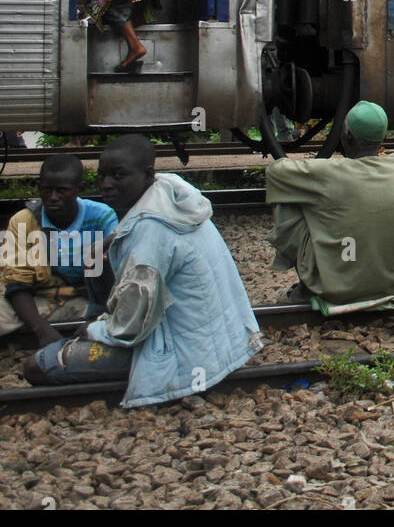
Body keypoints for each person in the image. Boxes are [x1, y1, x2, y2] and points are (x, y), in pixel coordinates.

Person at [24, 136, 260, 407]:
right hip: (217, 341)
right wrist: (114, 239)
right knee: (97, 274)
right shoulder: (172, 197)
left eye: (118, 175)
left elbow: (130, 327)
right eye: (102, 176)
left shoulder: (150, 232)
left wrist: (93, 331)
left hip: (184, 353)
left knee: (38, 365)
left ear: (148, 175)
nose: (106, 185)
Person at [265, 101, 394, 305]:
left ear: (346, 137)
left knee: (288, 196)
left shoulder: (328, 172)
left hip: (333, 288)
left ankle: (310, 284)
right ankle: (374, 276)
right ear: (381, 139)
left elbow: (275, 172)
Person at [0, 156, 117, 344]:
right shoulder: (23, 221)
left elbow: (116, 273)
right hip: (35, 299)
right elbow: (17, 283)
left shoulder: (102, 217)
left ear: (79, 189)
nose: (53, 197)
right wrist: (40, 329)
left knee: (118, 316)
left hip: (84, 301)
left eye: (62, 191)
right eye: (47, 190)